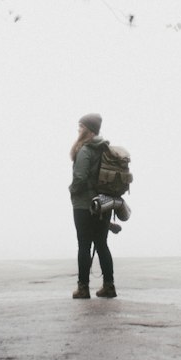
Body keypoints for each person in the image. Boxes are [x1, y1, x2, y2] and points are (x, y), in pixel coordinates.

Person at [69, 113, 116, 299]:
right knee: (102, 244)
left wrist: (72, 190)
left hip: (84, 205)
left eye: (80, 127)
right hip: (104, 203)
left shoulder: (85, 150)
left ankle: (83, 288)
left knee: (84, 246)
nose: (78, 130)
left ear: (87, 130)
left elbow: (80, 177)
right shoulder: (106, 149)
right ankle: (109, 286)